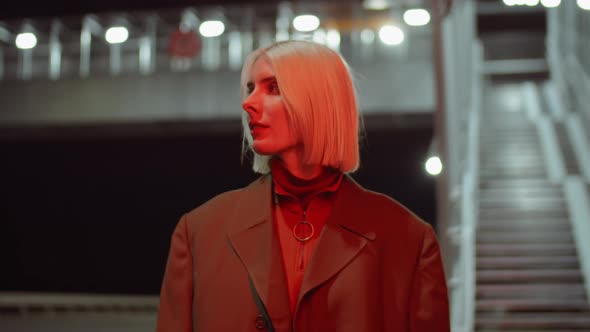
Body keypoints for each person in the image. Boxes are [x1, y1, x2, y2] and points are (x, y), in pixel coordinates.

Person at [156, 40, 450, 332]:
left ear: (319, 101)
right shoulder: (199, 232)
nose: (248, 103)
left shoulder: (408, 239)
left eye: (273, 88)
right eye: (250, 88)